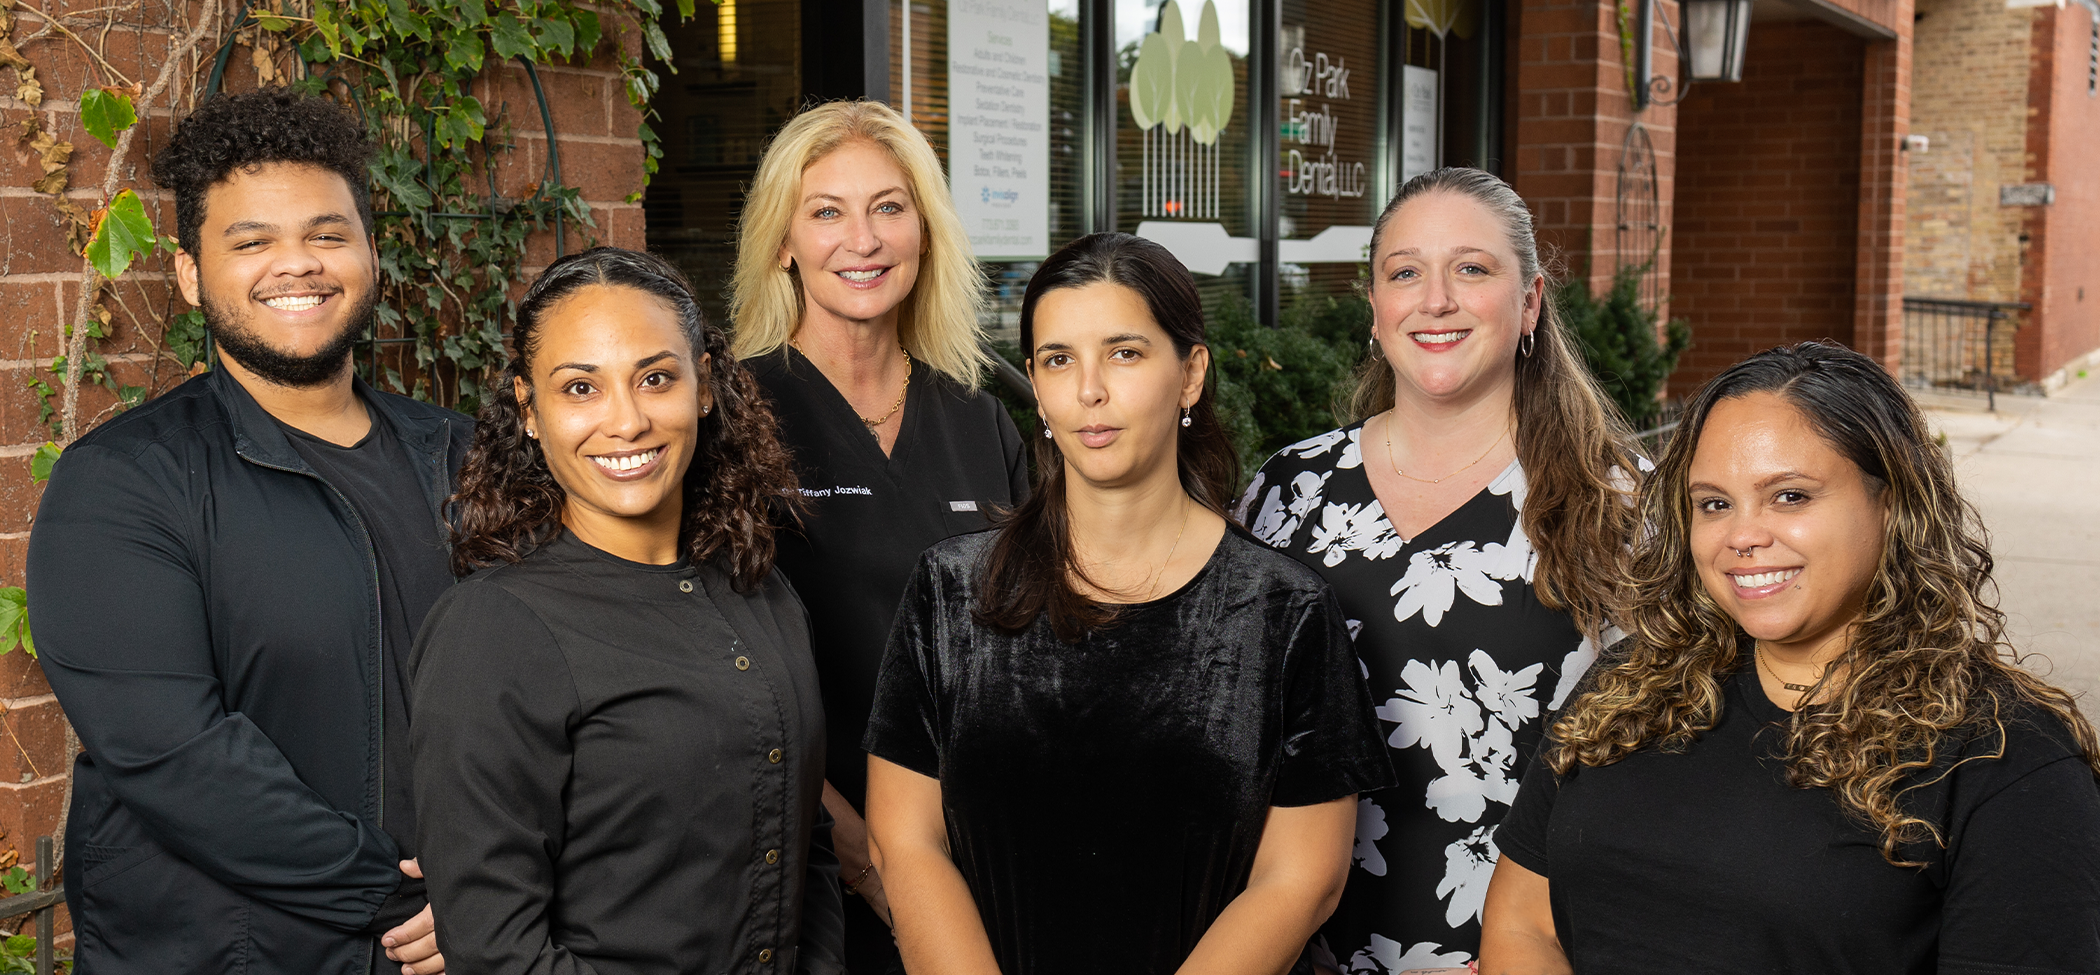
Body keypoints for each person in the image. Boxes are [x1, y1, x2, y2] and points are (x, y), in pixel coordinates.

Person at [863, 232, 1396, 975]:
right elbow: (905, 839)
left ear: (1191, 373)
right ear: (1036, 386)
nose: (1089, 390)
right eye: (1058, 359)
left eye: (1125, 353)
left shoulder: (1285, 609)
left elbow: (1303, 878)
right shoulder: (950, 592)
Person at [1480, 341, 2100, 974]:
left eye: (1790, 496)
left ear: (1892, 504)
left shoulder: (2006, 757)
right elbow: (1524, 923)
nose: (1742, 536)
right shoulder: (1628, 685)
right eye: (1714, 504)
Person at [25, 90, 459, 975]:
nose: (296, 265)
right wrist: (412, 898)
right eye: (252, 241)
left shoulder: (458, 453)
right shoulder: (122, 483)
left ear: (370, 254)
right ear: (188, 274)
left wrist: (495, 887)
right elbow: (178, 758)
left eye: (327, 235)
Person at [1236, 167, 1645, 971]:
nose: (1436, 299)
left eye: (1472, 268)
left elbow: (1674, 763)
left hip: (1532, 951)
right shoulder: (1288, 493)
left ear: (1529, 303)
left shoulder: (1621, 503)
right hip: (1293, 947)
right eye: (1405, 272)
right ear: (1376, 309)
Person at [408, 247, 845, 975]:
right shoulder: (492, 630)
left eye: (655, 378)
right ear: (531, 411)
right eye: (581, 387)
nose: (628, 421)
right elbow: (495, 950)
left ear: (703, 385)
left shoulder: (761, 588)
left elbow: (809, 846)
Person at [731, 98, 1028, 970]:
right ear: (783, 242)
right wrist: (869, 860)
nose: (861, 239)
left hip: (983, 858)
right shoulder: (732, 417)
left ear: (925, 231)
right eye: (826, 212)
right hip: (813, 869)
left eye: (889, 207)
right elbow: (720, 676)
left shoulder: (981, 413)